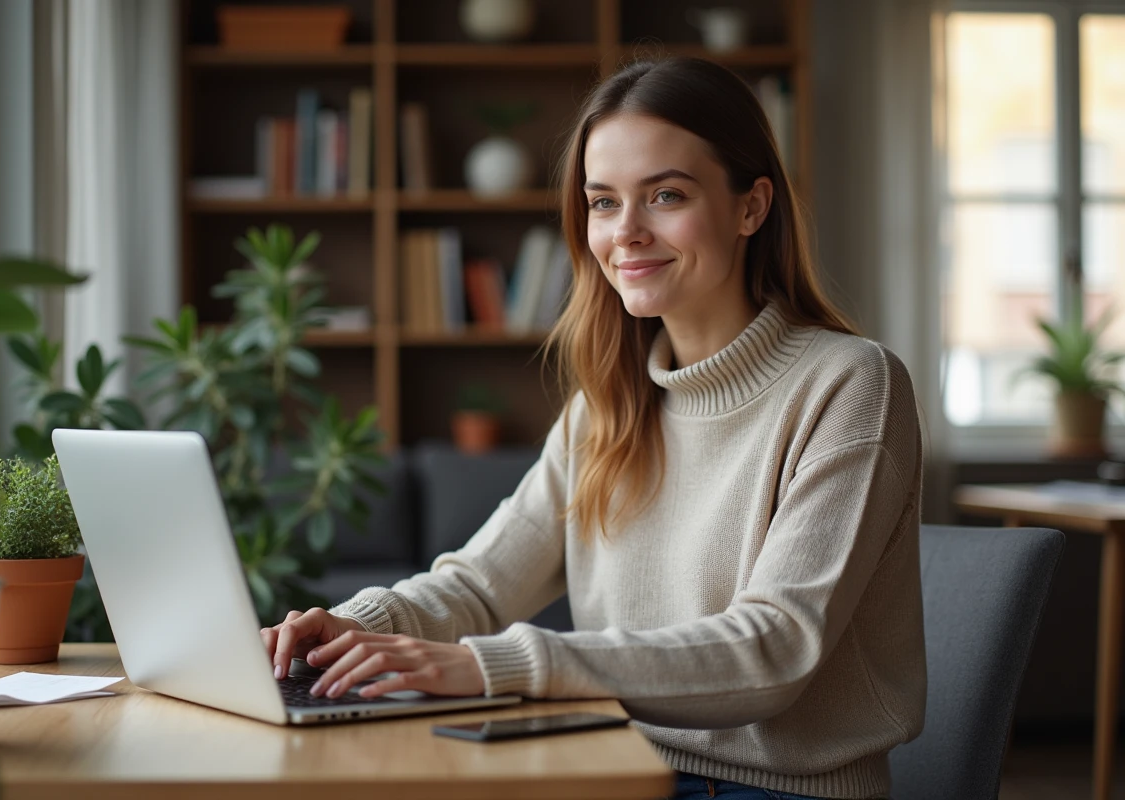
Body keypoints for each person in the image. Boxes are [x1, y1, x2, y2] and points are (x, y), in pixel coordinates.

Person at [261, 57, 925, 800]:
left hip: (768, 788)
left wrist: (492, 666)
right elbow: (480, 586)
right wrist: (349, 628)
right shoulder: (605, 406)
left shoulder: (850, 384)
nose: (627, 233)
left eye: (666, 195)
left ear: (751, 206)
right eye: (603, 202)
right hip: (608, 765)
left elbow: (774, 651)